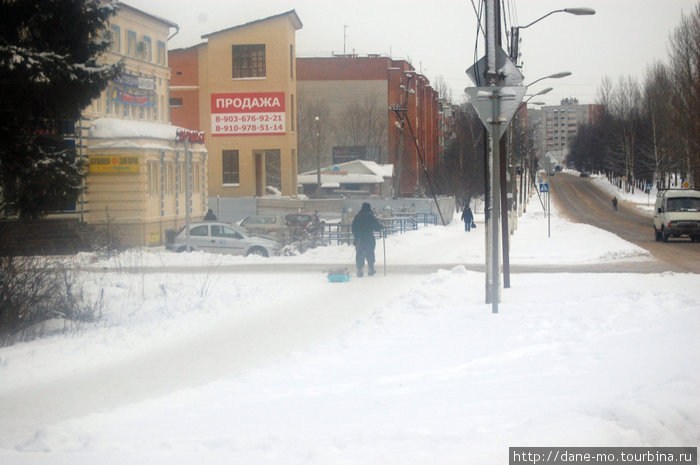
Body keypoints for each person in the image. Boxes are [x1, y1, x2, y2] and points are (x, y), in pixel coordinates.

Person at [351, 202, 383, 277]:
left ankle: (360, 270)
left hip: (359, 239)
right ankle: (371, 269)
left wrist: (356, 235)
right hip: (369, 239)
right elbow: (377, 227)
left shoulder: (357, 217)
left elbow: (353, 228)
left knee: (359, 254)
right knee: (370, 253)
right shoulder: (371, 217)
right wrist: (381, 226)